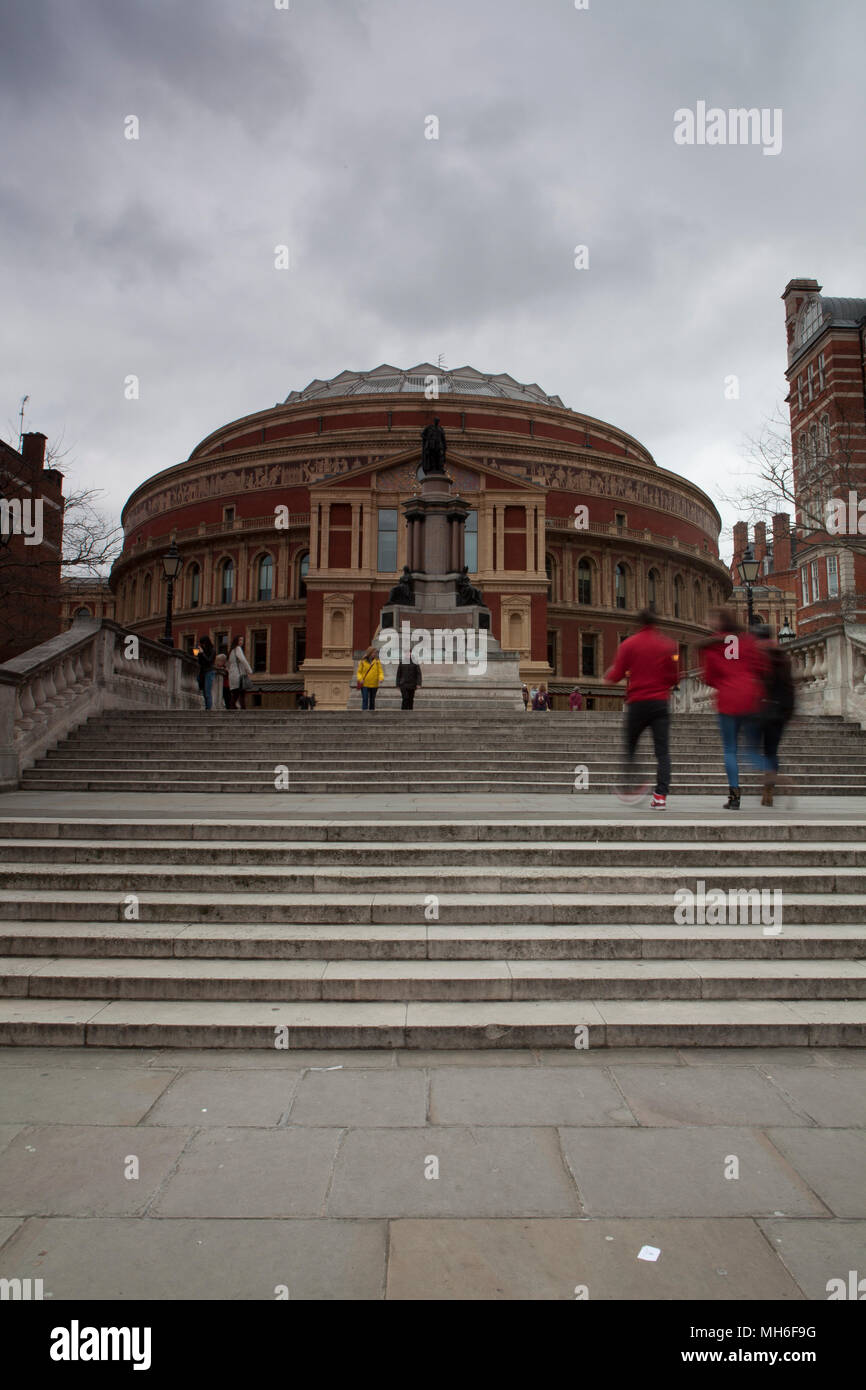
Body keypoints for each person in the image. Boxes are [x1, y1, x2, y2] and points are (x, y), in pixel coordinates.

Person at [604, 609, 679, 809]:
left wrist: (608, 677)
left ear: (639, 623)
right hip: (660, 703)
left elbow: (618, 673)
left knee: (630, 746)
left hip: (637, 702)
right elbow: (674, 678)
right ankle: (661, 796)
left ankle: (634, 784)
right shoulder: (669, 645)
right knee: (662, 752)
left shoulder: (629, 644)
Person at [699, 609, 769, 809]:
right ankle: (770, 769)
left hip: (728, 700)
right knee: (751, 748)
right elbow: (761, 667)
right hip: (750, 698)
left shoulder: (713, 643)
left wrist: (724, 681)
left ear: (720, 623)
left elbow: (709, 676)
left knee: (730, 749)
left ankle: (734, 796)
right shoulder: (747, 640)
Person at [752, 624, 795, 805]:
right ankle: (769, 789)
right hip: (779, 711)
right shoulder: (783, 658)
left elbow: (754, 684)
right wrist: (789, 711)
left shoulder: (758, 657)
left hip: (761, 709)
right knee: (772, 751)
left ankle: (776, 780)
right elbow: (789, 686)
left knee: (750, 751)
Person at [227, 635, 253, 710]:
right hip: (238, 674)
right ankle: (241, 709)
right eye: (240, 640)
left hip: (232, 674)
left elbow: (228, 664)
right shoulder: (238, 648)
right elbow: (243, 660)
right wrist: (249, 670)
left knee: (236, 693)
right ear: (236, 641)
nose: (242, 642)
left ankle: (234, 708)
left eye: (242, 640)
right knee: (241, 693)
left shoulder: (231, 650)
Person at [356, 645, 384, 711]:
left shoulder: (377, 662)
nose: (375, 654)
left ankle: (372, 715)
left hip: (374, 684)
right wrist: (360, 679)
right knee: (365, 699)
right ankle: (364, 714)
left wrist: (381, 678)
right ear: (370, 653)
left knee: (372, 700)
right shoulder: (363, 661)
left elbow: (380, 672)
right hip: (365, 684)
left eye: (375, 653)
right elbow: (359, 672)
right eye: (374, 653)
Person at [197, 635, 216, 711]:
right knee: (204, 692)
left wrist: (202, 653)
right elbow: (197, 659)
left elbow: (209, 661)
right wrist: (196, 651)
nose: (203, 645)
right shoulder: (202, 650)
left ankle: (209, 709)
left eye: (203, 643)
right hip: (202, 672)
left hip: (209, 671)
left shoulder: (213, 650)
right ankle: (207, 707)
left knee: (207, 691)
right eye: (201, 644)